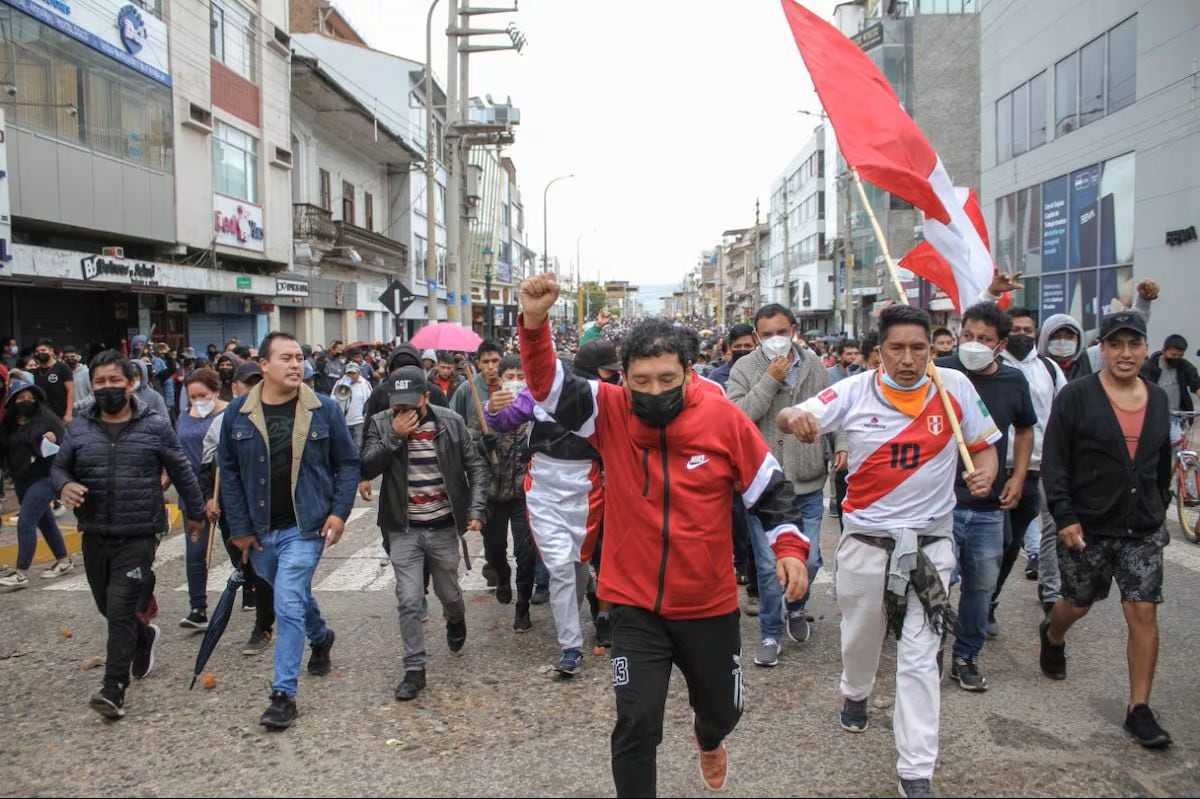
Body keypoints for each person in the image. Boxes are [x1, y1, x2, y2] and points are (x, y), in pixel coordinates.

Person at [518, 274, 812, 797]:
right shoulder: (608, 410)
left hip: (707, 604)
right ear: (624, 378)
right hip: (634, 605)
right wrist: (535, 323)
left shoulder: (722, 417)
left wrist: (788, 547)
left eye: (666, 379)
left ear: (688, 372)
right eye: (641, 381)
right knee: (635, 725)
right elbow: (549, 387)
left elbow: (771, 490)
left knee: (723, 711)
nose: (653, 391)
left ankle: (709, 738)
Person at [778, 304, 1000, 799]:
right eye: (896, 349)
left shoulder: (954, 388)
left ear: (932, 348)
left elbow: (984, 443)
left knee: (921, 656)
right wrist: (796, 419)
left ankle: (916, 771)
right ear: (879, 351)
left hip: (930, 547)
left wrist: (985, 469)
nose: (907, 359)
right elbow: (795, 413)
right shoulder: (855, 391)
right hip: (865, 545)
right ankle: (855, 692)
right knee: (862, 637)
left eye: (918, 348)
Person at [1041, 310, 1173, 749]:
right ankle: (1053, 635)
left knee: (1143, 609)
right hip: (1088, 526)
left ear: (1145, 349)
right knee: (1076, 603)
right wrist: (1064, 515)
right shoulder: (1077, 396)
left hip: (1142, 528)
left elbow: (1159, 464)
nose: (1125, 353)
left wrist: (1161, 508)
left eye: (1134, 344)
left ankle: (1139, 709)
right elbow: (1056, 461)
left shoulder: (1157, 398)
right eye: (1116, 344)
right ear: (1102, 349)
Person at [52, 350, 206, 719]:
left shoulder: (154, 423)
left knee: (121, 605)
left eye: (114, 381)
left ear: (131, 383)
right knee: (108, 607)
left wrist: (197, 513)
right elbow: (59, 468)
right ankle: (144, 637)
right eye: (101, 381)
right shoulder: (79, 426)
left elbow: (181, 469)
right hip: (94, 532)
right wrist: (65, 487)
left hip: (139, 532)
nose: (107, 388)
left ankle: (113, 688)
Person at [218, 332, 360, 730]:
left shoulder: (325, 409)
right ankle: (320, 636)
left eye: (299, 357)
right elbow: (228, 472)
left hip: (305, 526)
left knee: (287, 601)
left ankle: (283, 694)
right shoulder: (237, 413)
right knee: (292, 597)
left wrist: (339, 512)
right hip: (261, 531)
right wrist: (240, 527)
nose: (296, 364)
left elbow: (348, 463)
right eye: (285, 358)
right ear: (263, 364)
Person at [727, 303, 846, 667]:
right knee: (767, 565)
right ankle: (770, 632)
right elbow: (738, 416)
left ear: (793, 330)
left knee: (808, 560)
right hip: (764, 484)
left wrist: (840, 446)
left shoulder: (814, 365)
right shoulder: (745, 368)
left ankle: (796, 605)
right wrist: (771, 380)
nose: (775, 340)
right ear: (756, 337)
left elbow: (834, 412)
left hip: (808, 480)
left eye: (782, 332)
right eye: (766, 335)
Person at [359, 366, 487, 701]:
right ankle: (414, 669)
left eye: (411, 405)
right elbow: (367, 466)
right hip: (403, 528)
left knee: (449, 592)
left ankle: (455, 618)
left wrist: (475, 510)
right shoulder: (382, 423)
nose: (403, 412)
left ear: (426, 397)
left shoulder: (450, 422)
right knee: (408, 598)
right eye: (397, 405)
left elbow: (475, 466)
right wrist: (394, 436)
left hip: (443, 525)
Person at [934, 302, 1036, 692]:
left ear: (1001, 344)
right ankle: (928, 651)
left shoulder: (1014, 382)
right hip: (942, 504)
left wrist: (1018, 476)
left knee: (980, 588)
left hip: (990, 507)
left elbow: (1024, 430)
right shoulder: (939, 372)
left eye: (984, 340)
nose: (973, 345)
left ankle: (966, 656)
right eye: (968, 337)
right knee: (935, 582)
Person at [486, 349, 608, 662]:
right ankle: (571, 647)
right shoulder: (535, 394)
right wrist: (492, 408)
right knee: (559, 567)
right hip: (542, 487)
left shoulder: (601, 395)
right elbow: (504, 420)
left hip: (585, 489)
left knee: (578, 566)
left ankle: (587, 606)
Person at [995, 306, 1068, 622]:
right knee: (997, 543)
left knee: (1018, 544)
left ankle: (995, 599)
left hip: (1040, 470)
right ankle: (983, 598)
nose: (1021, 336)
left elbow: (1065, 412)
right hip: (997, 470)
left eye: (1028, 330)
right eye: (1015, 330)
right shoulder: (991, 366)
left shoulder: (1049, 369)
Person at [200, 361, 274, 654]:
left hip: (265, 505)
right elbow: (208, 464)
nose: (253, 389)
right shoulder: (223, 420)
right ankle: (258, 594)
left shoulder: (274, 416)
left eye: (259, 383)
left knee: (262, 566)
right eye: (247, 383)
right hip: (232, 505)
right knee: (240, 562)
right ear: (234, 387)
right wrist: (209, 497)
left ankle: (264, 625)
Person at [473, 356, 536, 615]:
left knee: (526, 552)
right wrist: (482, 444)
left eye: (521, 376)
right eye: (510, 377)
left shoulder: (535, 411)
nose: (516, 382)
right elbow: (471, 450)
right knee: (495, 549)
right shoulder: (486, 411)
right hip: (494, 494)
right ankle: (502, 575)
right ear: (500, 380)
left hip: (524, 494)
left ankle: (523, 604)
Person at [0, 379, 72, 590]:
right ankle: (64, 560)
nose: (25, 400)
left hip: (46, 476)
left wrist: (55, 437)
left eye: (29, 396)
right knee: (44, 521)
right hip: (21, 479)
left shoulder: (47, 417)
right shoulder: (8, 424)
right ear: (13, 402)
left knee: (26, 521)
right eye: (20, 398)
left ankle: (21, 572)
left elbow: (65, 441)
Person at [175, 368, 231, 630]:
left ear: (216, 391)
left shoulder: (229, 413)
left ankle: (252, 590)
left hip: (224, 491)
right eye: (192, 397)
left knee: (238, 548)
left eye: (203, 395)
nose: (198, 401)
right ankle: (198, 608)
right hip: (192, 494)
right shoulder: (184, 417)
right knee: (196, 552)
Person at [1139, 334, 1200, 447]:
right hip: (1153, 416)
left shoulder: (1184, 367)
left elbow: (1196, 384)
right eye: (1173, 355)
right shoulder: (1149, 367)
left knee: (1178, 447)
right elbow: (1141, 389)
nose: (1176, 358)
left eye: (1180, 355)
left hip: (1175, 417)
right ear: (1163, 351)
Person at [449, 341, 503, 431]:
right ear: (479, 364)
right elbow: (452, 421)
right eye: (485, 362)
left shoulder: (511, 387)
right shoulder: (466, 388)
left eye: (495, 361)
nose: (490, 366)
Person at [32, 338, 74, 422]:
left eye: (43, 350)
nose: (40, 353)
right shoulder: (35, 372)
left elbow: (70, 390)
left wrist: (68, 413)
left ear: (51, 351)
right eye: (37, 351)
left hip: (61, 415)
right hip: (42, 416)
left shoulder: (62, 367)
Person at [1039, 314, 1091, 381]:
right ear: (1045, 339)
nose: (1062, 342)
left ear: (1079, 340)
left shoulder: (1088, 366)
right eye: (1056, 336)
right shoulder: (1035, 370)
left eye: (1069, 337)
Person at [333, 361, 372, 450]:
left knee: (358, 445)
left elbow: (370, 399)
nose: (350, 376)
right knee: (343, 446)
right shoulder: (339, 383)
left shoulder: (365, 384)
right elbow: (332, 400)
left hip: (358, 421)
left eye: (353, 373)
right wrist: (342, 390)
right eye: (348, 373)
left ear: (358, 373)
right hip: (343, 420)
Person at [707, 324, 756, 390]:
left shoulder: (765, 373)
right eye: (738, 346)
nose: (742, 350)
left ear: (756, 346)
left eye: (748, 346)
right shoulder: (716, 376)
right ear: (730, 348)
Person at [62, 345, 92, 411]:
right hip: (66, 412)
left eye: (72, 356)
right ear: (63, 359)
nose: (70, 359)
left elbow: (93, 395)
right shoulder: (61, 373)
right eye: (67, 357)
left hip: (85, 412)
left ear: (78, 357)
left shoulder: (86, 373)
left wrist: (76, 405)